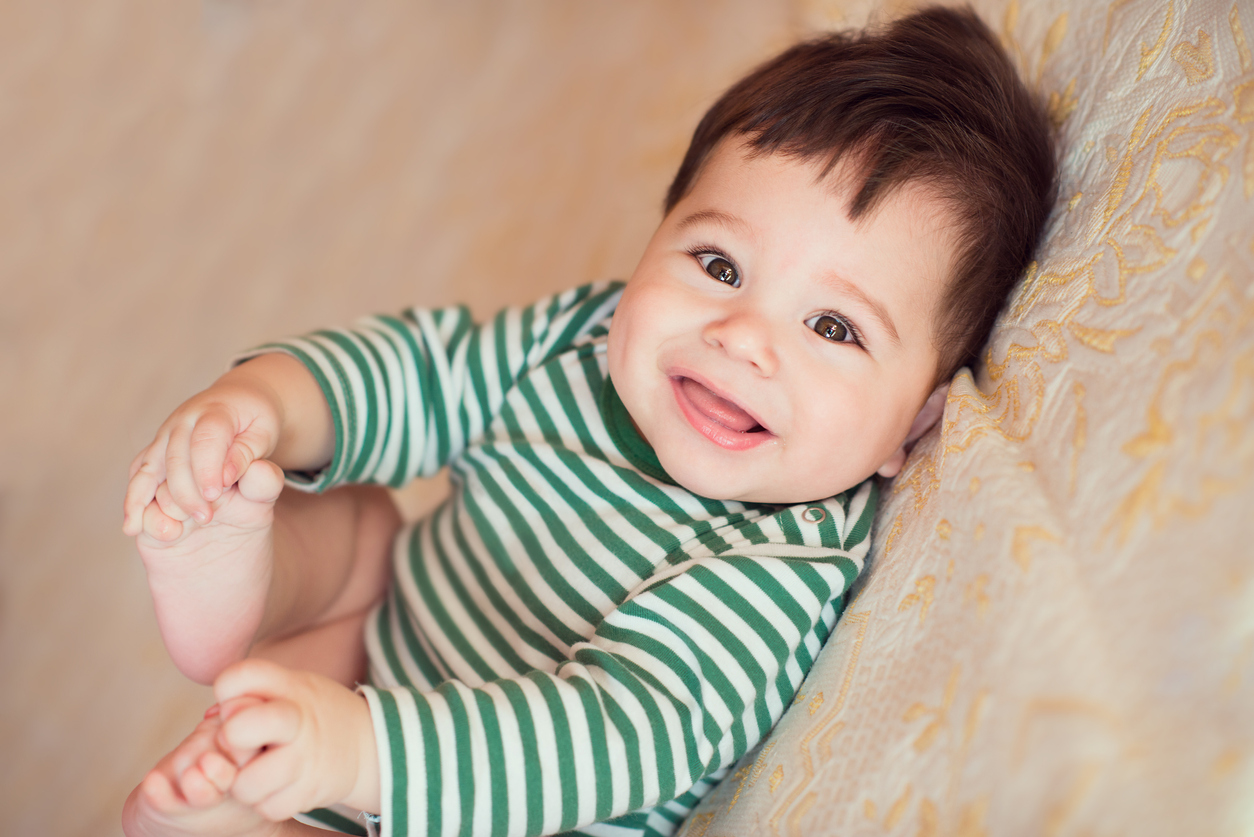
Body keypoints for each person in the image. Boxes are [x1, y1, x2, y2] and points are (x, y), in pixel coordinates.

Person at [120, 6, 1055, 836]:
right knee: (359, 524)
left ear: (914, 424)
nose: (742, 338)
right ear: (656, 234)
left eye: (832, 327)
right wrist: (263, 409)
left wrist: (358, 752)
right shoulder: (588, 335)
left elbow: (617, 731)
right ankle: (227, 538)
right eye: (720, 265)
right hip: (378, 639)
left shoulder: (786, 557)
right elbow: (422, 370)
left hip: (491, 803)